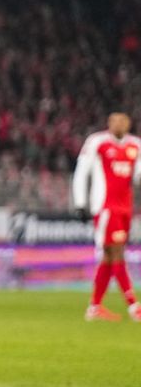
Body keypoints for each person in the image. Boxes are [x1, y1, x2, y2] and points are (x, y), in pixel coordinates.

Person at [72, 111, 141, 322]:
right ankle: (133, 306)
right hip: (105, 207)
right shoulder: (97, 142)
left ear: (129, 124)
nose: (118, 123)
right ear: (109, 123)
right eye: (114, 120)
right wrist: (80, 202)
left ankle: (94, 307)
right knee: (117, 252)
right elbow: (82, 171)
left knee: (109, 257)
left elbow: (138, 175)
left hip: (125, 208)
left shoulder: (136, 145)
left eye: (123, 120)